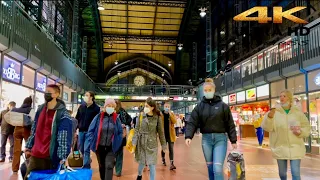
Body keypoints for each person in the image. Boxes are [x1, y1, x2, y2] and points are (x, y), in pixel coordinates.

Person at [185, 78, 237, 180]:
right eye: (205, 90)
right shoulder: (199, 107)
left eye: (210, 90)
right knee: (210, 168)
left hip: (220, 139)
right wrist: (188, 136)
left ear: (214, 90)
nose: (207, 92)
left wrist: (233, 140)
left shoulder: (223, 106)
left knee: (217, 168)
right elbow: (192, 121)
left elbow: (230, 123)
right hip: (206, 140)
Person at [24, 84, 73, 179]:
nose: (46, 94)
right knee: (29, 177)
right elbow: (34, 129)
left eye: (49, 92)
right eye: (45, 92)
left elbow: (64, 137)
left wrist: (62, 157)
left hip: (51, 156)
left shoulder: (63, 114)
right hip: (36, 154)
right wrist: (28, 146)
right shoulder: (40, 109)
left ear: (56, 94)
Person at [261, 90, 310, 180]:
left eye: (284, 96)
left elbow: (307, 127)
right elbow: (267, 127)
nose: (282, 98)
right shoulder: (274, 112)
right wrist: (270, 117)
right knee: (282, 174)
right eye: (280, 96)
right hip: (280, 147)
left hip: (296, 147)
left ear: (290, 98)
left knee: (295, 172)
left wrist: (300, 132)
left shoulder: (298, 113)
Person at [86, 98, 123, 180]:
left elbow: (120, 132)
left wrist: (117, 142)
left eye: (112, 106)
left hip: (111, 147)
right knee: (102, 166)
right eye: (108, 106)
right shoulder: (99, 117)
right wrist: (92, 142)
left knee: (109, 165)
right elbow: (91, 130)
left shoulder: (116, 118)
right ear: (105, 106)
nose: (110, 107)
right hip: (99, 147)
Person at [132, 97, 166, 180]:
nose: (145, 108)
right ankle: (139, 175)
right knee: (141, 164)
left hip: (152, 144)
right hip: (141, 143)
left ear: (152, 107)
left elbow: (161, 132)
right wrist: (134, 144)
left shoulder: (157, 117)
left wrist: (163, 145)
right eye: (144, 106)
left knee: (152, 165)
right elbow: (136, 130)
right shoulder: (140, 116)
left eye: (147, 106)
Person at [76, 91, 100, 168]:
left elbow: (97, 121)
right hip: (81, 131)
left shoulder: (96, 108)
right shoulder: (81, 107)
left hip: (90, 132)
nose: (85, 97)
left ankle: (85, 166)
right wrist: (76, 128)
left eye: (87, 95)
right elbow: (77, 118)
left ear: (91, 97)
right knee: (81, 149)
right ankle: (84, 162)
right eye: (85, 95)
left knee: (86, 149)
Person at [11, 96, 33, 172]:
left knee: (16, 149)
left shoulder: (15, 109)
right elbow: (33, 121)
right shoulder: (30, 110)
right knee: (28, 148)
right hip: (27, 130)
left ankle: (14, 168)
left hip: (17, 129)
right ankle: (28, 166)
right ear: (30, 103)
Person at [114, 100, 131, 177]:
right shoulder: (122, 112)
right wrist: (125, 124)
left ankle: (117, 170)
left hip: (118, 135)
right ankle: (118, 171)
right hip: (117, 135)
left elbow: (129, 119)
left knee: (117, 153)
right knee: (118, 154)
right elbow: (129, 119)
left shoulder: (121, 111)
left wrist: (124, 124)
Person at [160, 102, 177, 170]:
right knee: (164, 149)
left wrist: (170, 114)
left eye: (168, 107)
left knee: (171, 149)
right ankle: (163, 158)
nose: (167, 108)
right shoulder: (161, 114)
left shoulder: (172, 114)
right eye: (166, 106)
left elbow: (174, 121)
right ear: (164, 107)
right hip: (163, 135)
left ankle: (172, 163)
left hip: (171, 135)